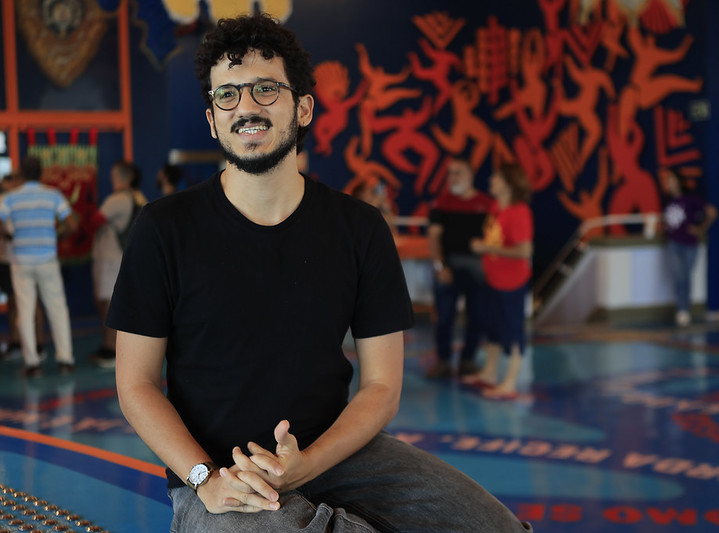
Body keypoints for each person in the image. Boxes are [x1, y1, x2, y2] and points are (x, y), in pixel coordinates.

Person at [108, 14, 531, 532]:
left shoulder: (359, 227)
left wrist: (309, 462)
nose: (246, 108)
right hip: (221, 475)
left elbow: (381, 386)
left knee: (495, 527)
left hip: (333, 455)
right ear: (213, 118)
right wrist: (204, 477)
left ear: (303, 107)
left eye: (265, 89)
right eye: (228, 96)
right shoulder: (164, 228)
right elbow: (136, 383)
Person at [0, 156, 78, 378]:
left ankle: (32, 363)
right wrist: (56, 235)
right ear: (41, 173)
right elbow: (73, 224)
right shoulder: (53, 195)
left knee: (26, 311)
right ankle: (65, 359)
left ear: (21, 173)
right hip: (47, 258)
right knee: (57, 309)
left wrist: (7, 234)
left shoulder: (10, 198)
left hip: (21, 262)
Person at [469, 163, 534, 400]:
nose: (491, 181)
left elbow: (524, 251)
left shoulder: (519, 212)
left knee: (512, 331)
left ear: (508, 183)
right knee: (493, 328)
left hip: (511, 283)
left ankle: (511, 381)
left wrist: (485, 247)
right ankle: (490, 372)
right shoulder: (496, 207)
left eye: (496, 177)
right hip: (493, 278)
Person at [426, 158, 494, 378]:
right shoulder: (441, 203)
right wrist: (440, 266)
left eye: (458, 172)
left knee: (479, 315)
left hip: (478, 269)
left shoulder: (486, 204)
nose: (453, 177)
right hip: (449, 267)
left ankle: (468, 360)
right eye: (450, 173)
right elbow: (433, 237)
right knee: (444, 316)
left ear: (470, 176)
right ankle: (444, 361)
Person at [88, 160, 142, 368]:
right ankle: (112, 347)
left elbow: (96, 221)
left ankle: (111, 348)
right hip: (122, 256)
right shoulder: (138, 197)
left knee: (107, 304)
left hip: (109, 257)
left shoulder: (117, 199)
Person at [661, 168, 716, 327]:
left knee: (686, 276)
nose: (668, 184)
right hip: (673, 242)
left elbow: (711, 212)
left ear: (678, 181)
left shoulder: (690, 199)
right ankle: (682, 309)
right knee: (678, 276)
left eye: (670, 180)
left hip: (690, 243)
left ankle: (685, 309)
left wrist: (700, 229)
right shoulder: (668, 201)